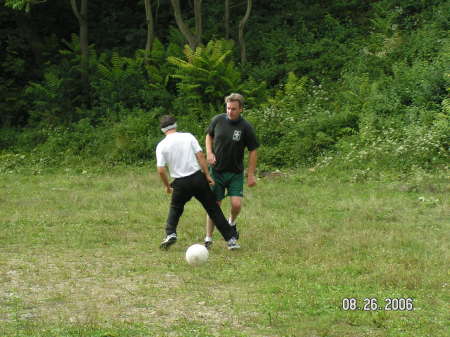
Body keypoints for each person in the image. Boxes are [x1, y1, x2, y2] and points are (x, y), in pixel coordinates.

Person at [156, 114, 240, 250]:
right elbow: (200, 155)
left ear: (163, 130)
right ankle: (231, 240)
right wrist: (207, 174)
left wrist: (167, 186)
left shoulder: (161, 145)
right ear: (175, 125)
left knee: (175, 209)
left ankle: (170, 233)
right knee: (213, 209)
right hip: (197, 179)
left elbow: (161, 170)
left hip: (180, 183)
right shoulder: (188, 136)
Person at [204, 93, 259, 248]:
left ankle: (231, 223)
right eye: (228, 108)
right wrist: (209, 153)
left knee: (236, 204)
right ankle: (208, 237)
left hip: (235, 173)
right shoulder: (218, 120)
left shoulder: (246, 127)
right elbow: (209, 136)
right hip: (217, 171)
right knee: (215, 206)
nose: (230, 111)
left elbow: (253, 150)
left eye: (233, 109)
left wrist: (250, 174)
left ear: (241, 109)